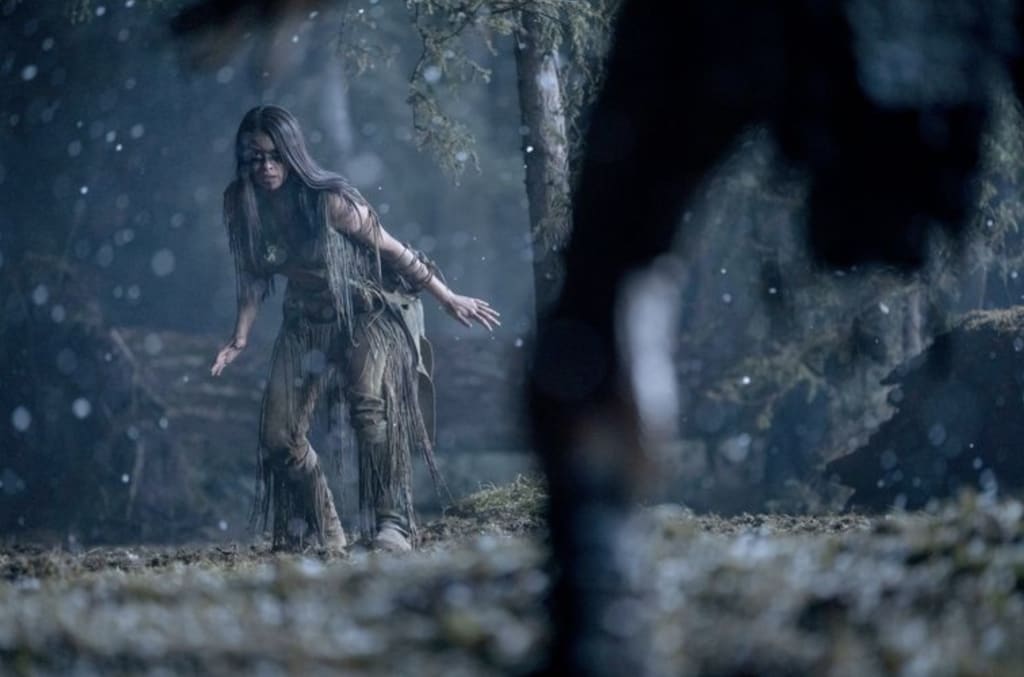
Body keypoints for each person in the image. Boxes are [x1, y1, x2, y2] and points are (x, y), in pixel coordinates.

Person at [210, 105, 499, 553]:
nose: (266, 167)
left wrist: (447, 297)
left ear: (292, 155)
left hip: (365, 313)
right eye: (256, 157)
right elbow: (251, 273)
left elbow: (394, 250)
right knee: (278, 436)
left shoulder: (328, 201)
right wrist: (240, 334)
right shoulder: (241, 203)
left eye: (275, 156)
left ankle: (393, 524)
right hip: (305, 319)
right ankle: (327, 530)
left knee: (371, 409)